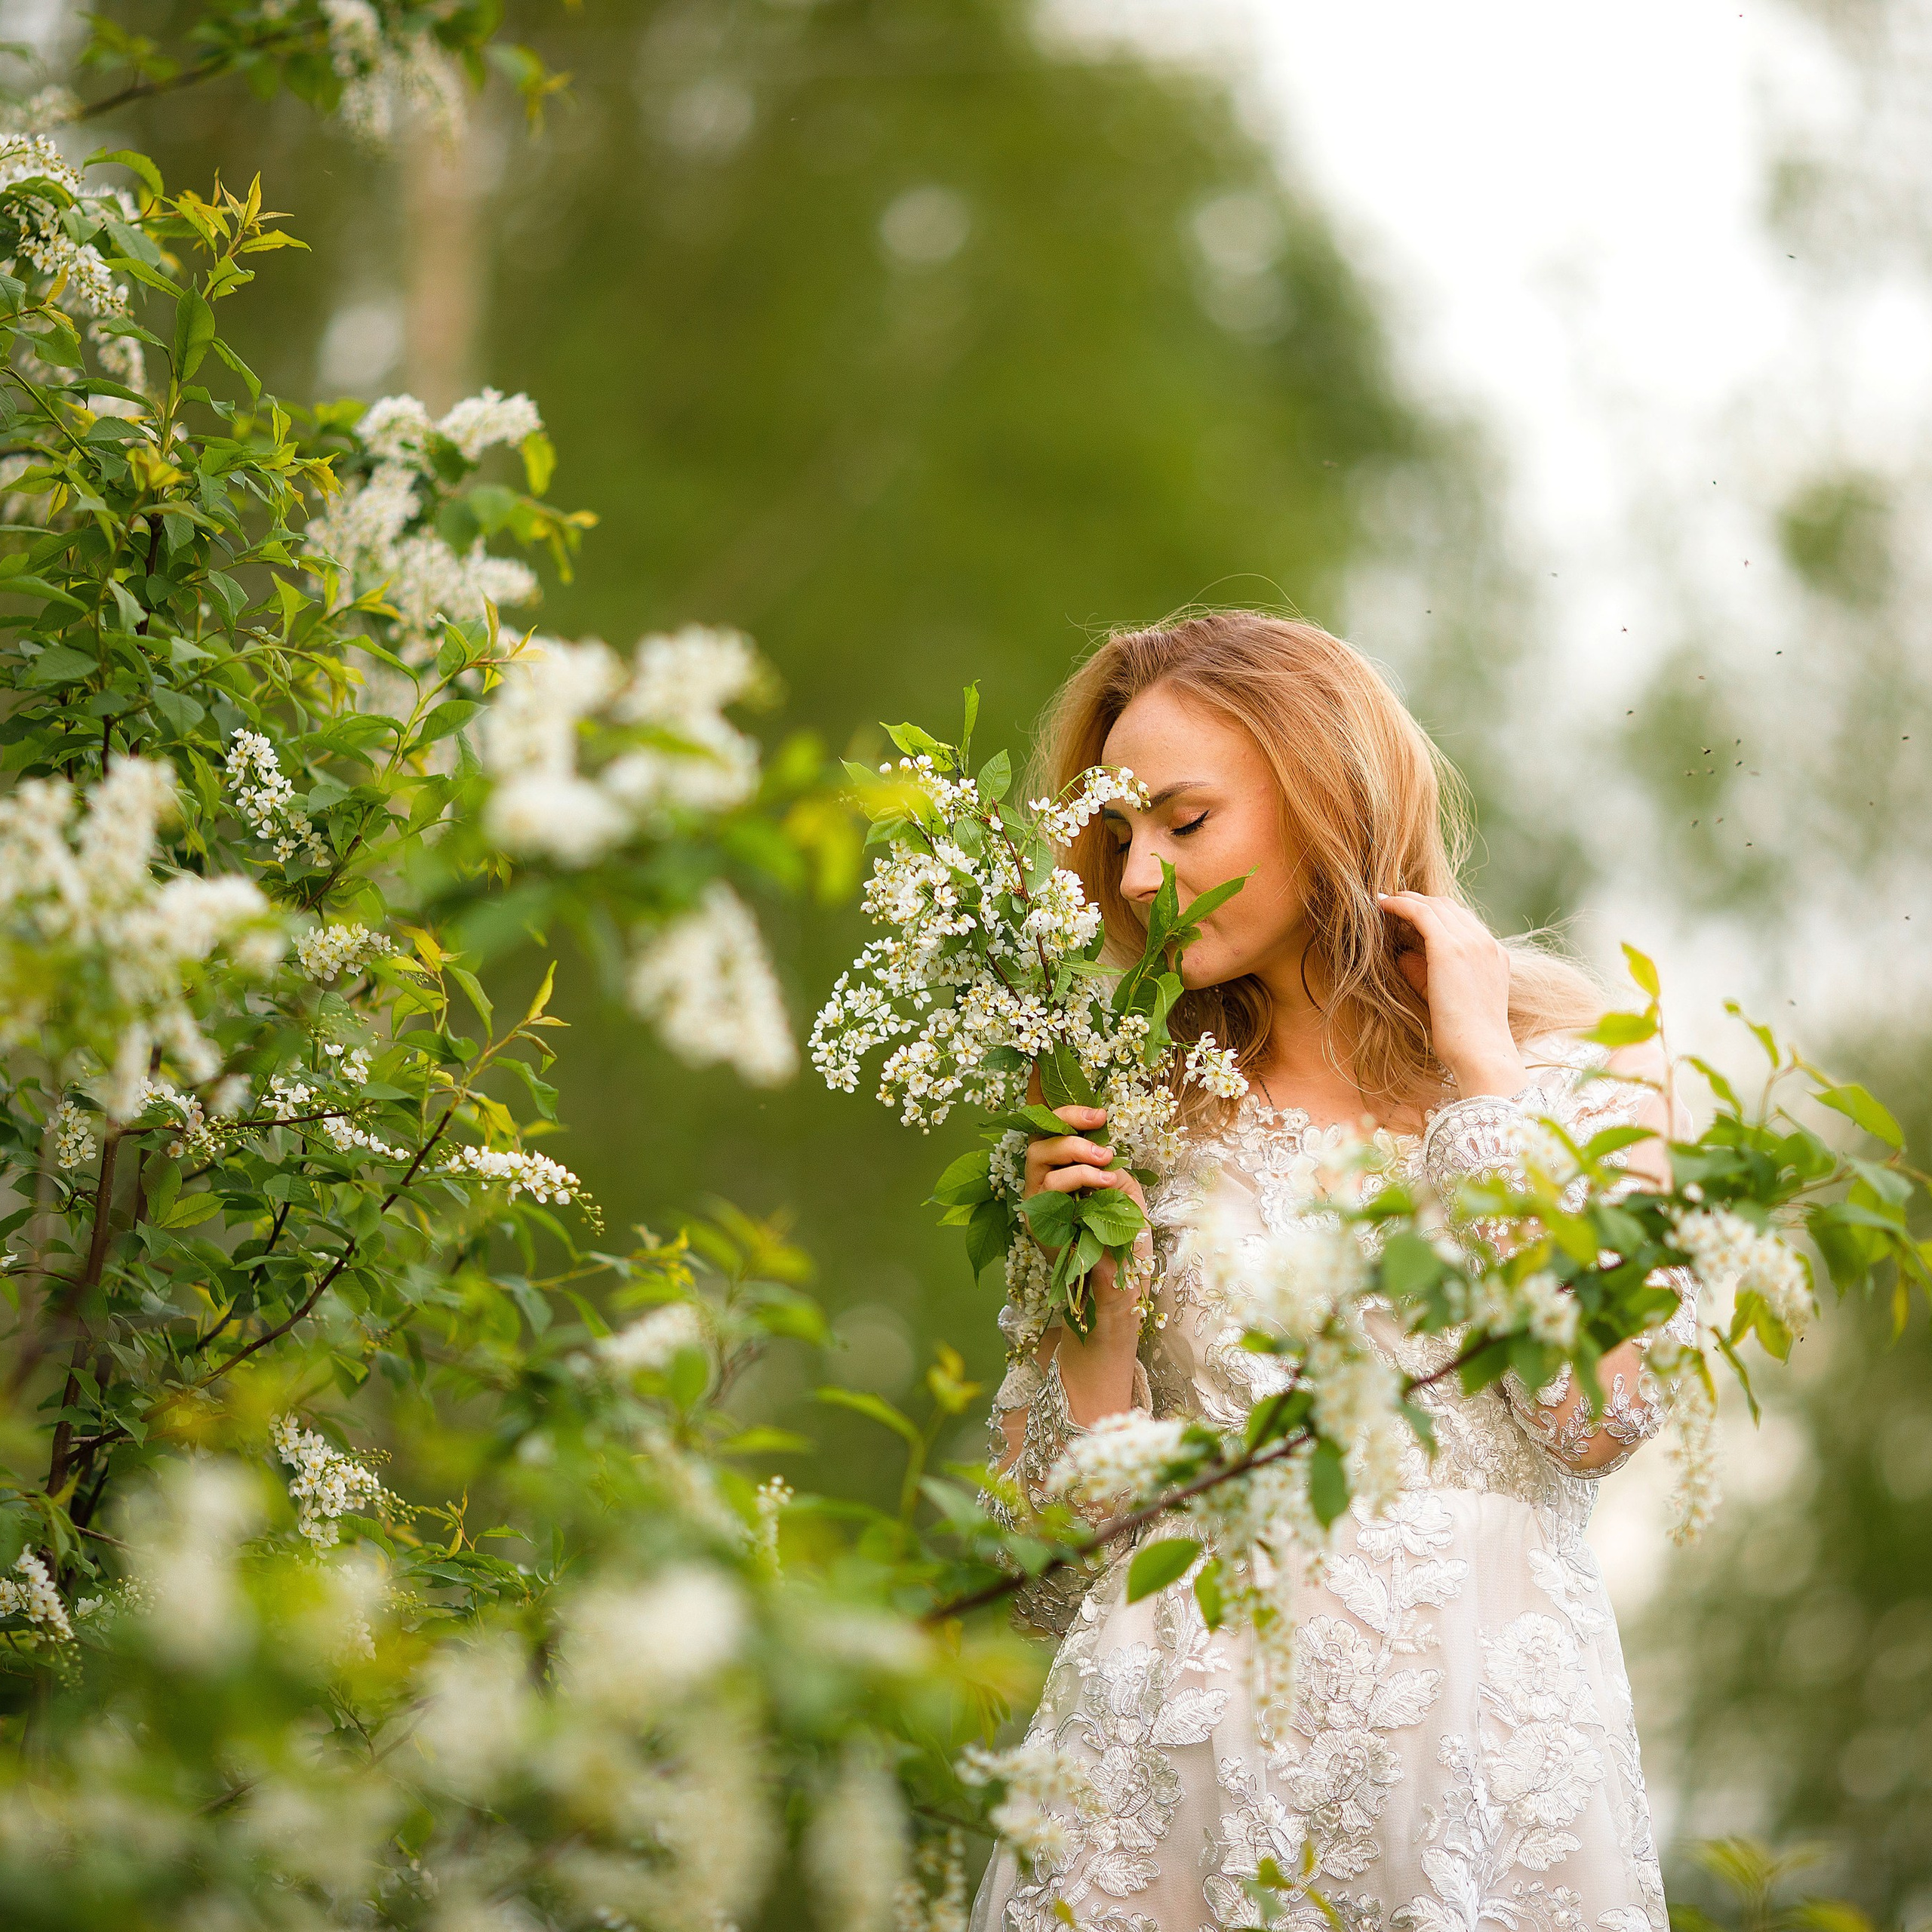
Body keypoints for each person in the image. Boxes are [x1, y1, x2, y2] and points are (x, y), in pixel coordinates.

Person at [971, 612, 1690, 1932]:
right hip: (1173, 1763)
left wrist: (1485, 1085)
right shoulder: (1119, 1106)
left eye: (1182, 824)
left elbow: (1594, 1418)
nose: (1135, 876)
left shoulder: (1590, 1068)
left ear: (1325, 798)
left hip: (1478, 1764)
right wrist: (1095, 1316)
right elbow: (1050, 1572)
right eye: (1120, 835)